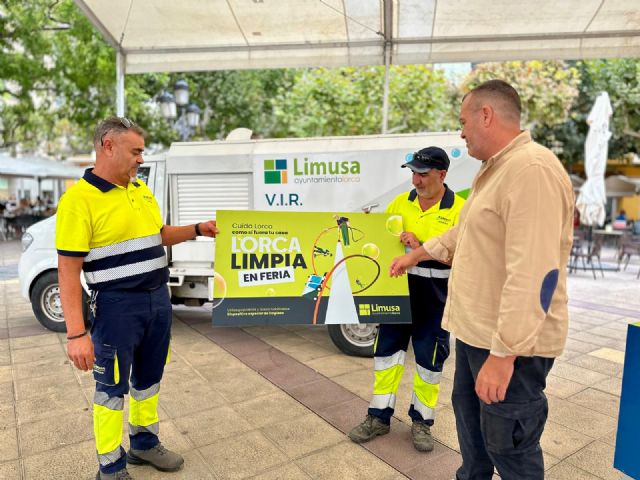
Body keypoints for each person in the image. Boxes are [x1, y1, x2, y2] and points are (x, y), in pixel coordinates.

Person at [390, 80, 574, 480]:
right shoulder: (495, 170)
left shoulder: (532, 171)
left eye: (463, 121)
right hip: (478, 336)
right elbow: (462, 233)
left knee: (509, 450)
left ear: (486, 115)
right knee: (474, 445)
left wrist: (505, 355)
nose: (461, 132)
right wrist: (415, 255)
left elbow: (534, 273)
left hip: (509, 346)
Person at [56, 116, 218, 480]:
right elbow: (67, 271)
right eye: (136, 151)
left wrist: (197, 229)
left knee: (149, 378)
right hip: (116, 308)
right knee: (110, 388)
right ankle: (110, 467)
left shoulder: (140, 189)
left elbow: (158, 235)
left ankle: (143, 445)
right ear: (107, 146)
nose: (141, 159)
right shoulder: (78, 200)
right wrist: (76, 333)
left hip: (158, 301)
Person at [348, 147, 465, 452]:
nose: (415, 180)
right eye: (413, 173)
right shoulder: (401, 203)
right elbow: (382, 243)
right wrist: (361, 227)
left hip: (436, 303)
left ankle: (422, 423)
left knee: (430, 365)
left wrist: (422, 246)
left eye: (423, 174)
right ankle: (378, 417)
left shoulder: (460, 210)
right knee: (386, 357)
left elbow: (465, 260)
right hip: (397, 295)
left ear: (442, 174)